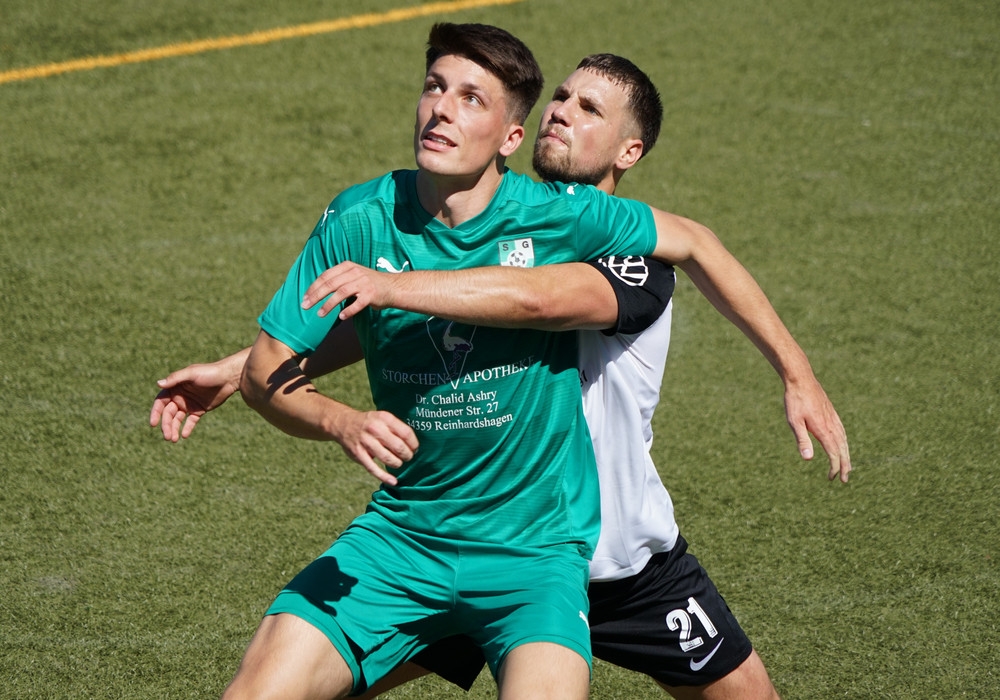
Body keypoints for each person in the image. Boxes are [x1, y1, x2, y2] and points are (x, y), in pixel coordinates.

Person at [152, 48, 848, 699]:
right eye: (562, 98)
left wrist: (798, 374)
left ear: (629, 152)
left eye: (589, 109)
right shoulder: (505, 224)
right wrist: (245, 369)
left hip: (617, 564)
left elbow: (530, 300)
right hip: (478, 535)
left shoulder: (636, 262)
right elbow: (417, 324)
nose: (561, 113)